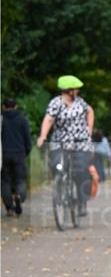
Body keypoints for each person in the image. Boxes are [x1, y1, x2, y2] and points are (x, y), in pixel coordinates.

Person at [36, 75, 95, 217]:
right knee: (57, 165)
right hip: (60, 142)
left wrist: (89, 128)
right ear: (69, 90)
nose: (78, 92)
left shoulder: (81, 103)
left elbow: (90, 111)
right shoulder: (55, 103)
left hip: (80, 143)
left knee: (81, 171)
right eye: (76, 89)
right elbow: (48, 119)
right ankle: (60, 186)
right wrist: (43, 136)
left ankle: (81, 201)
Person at [1, 98, 32, 217]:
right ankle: (19, 195)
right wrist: (26, 151)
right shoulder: (22, 120)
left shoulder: (1, 119)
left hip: (3, 155)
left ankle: (9, 208)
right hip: (19, 154)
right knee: (20, 179)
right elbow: (27, 139)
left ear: (3, 107)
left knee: (5, 181)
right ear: (16, 106)